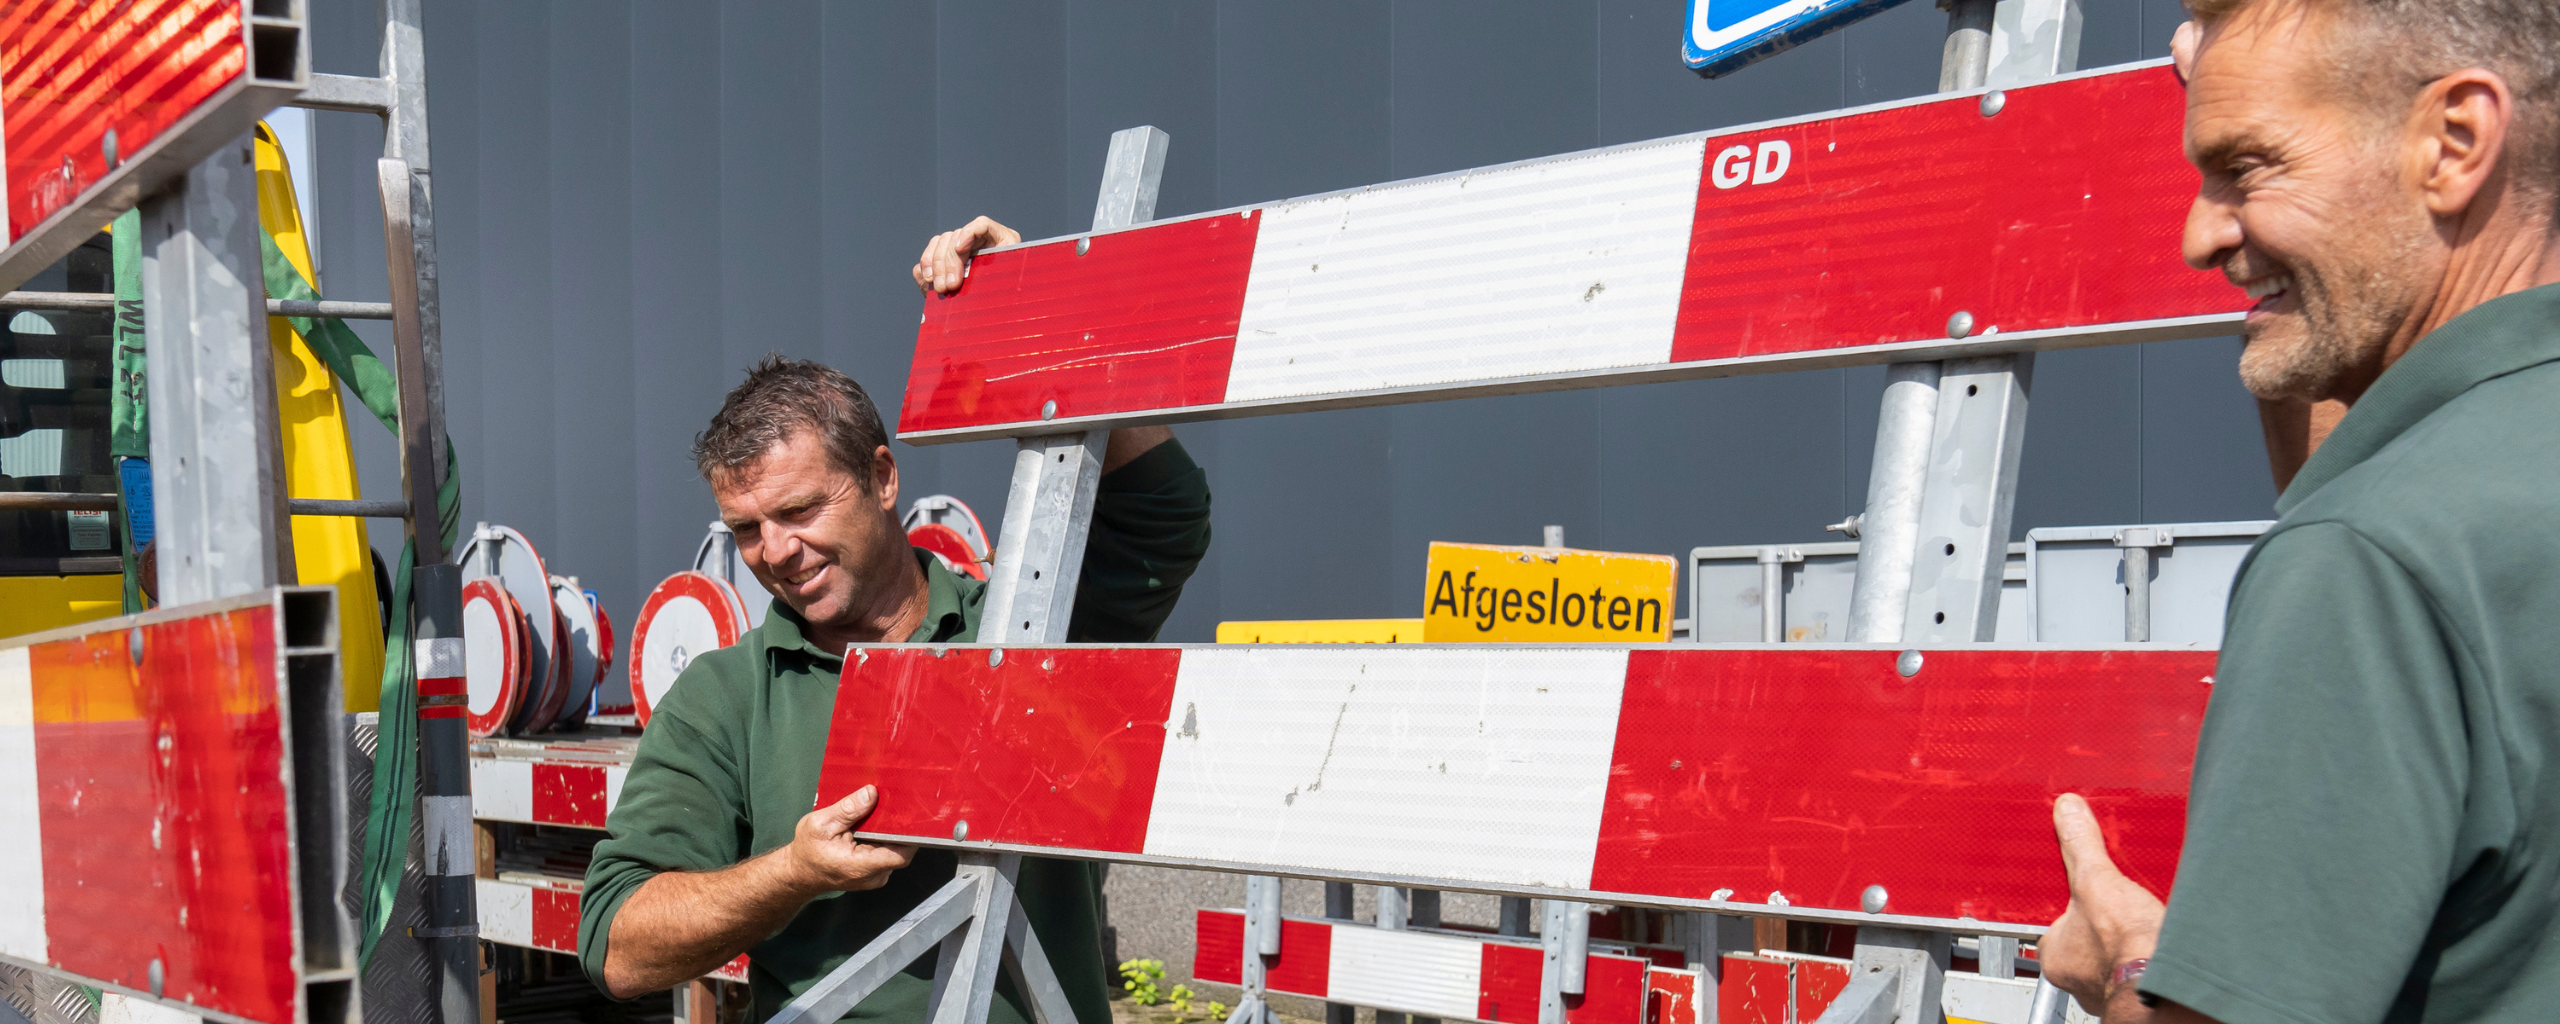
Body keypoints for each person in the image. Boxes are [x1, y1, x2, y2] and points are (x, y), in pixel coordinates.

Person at [2040, 1, 2560, 1022]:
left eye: (2246, 167)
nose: (2199, 235)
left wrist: (2125, 971)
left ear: (2454, 141)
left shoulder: (2369, 562)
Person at [579, 223, 1211, 1024]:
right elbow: (617, 947)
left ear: (881, 477)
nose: (776, 551)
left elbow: (1163, 515)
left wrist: (1042, 309)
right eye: (746, 528)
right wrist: (794, 873)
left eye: (800, 510)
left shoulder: (1019, 633)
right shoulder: (726, 697)